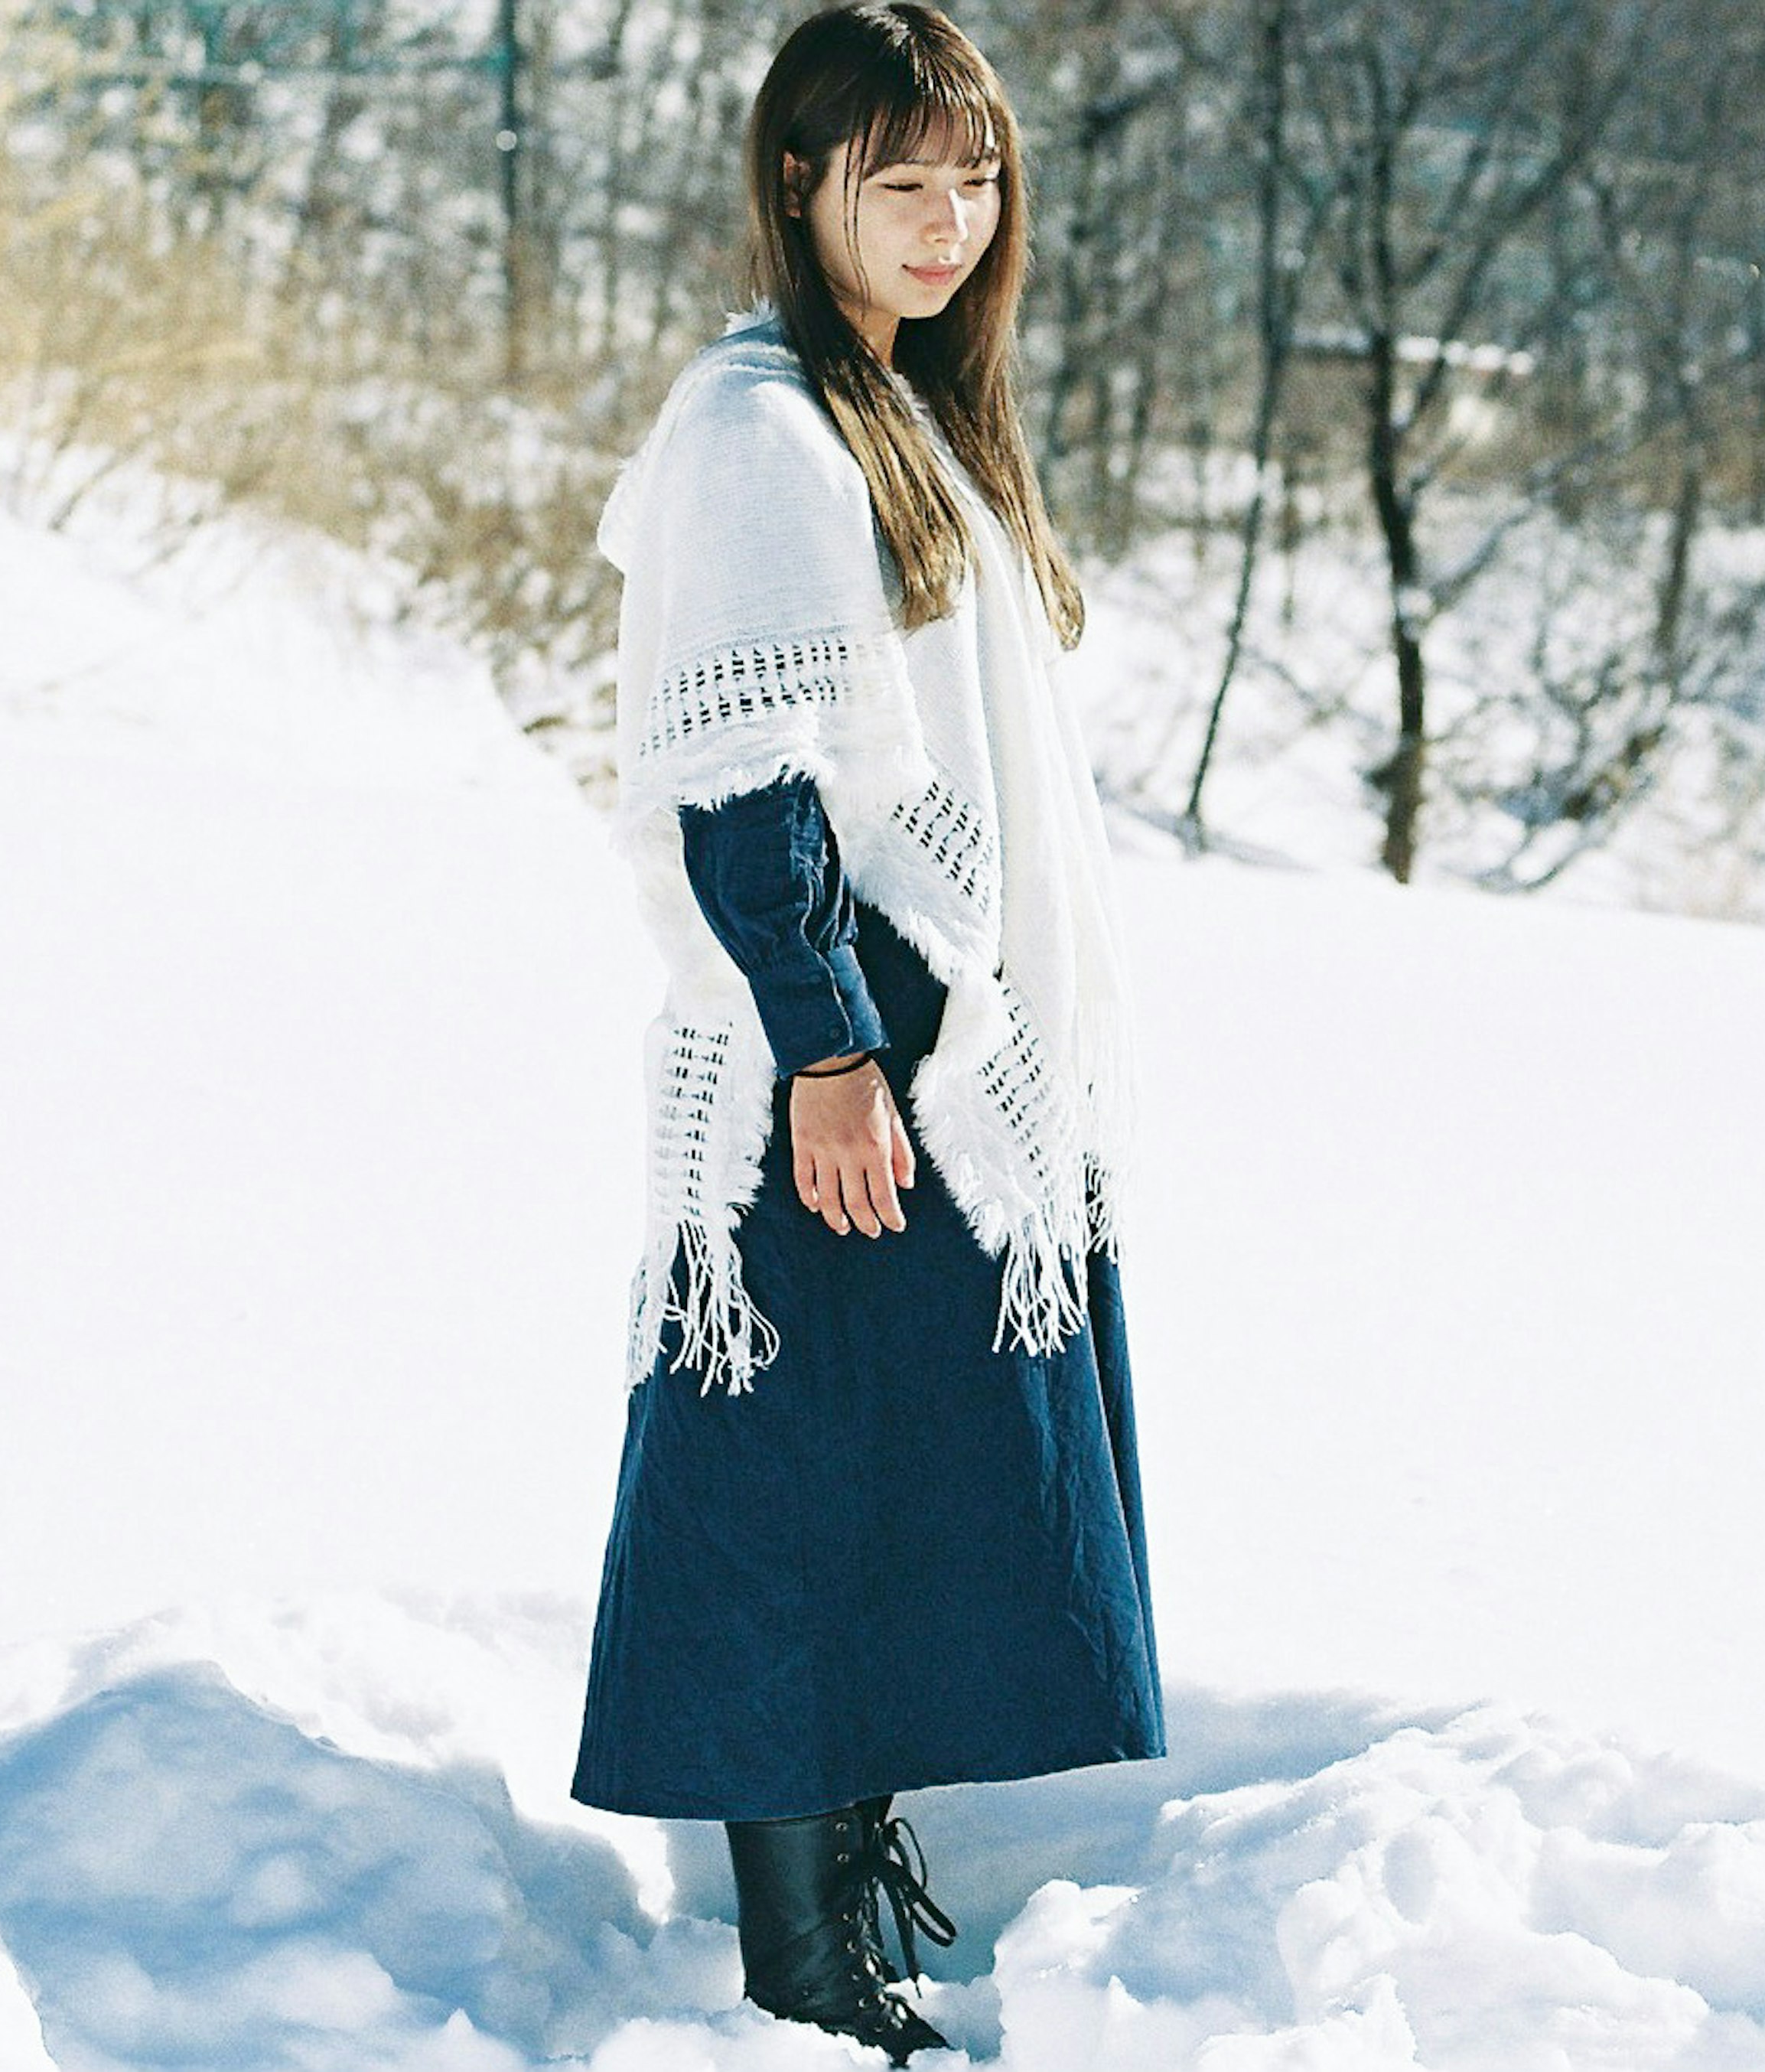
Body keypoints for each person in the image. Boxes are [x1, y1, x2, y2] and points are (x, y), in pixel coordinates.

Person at [570, 5, 1163, 2059]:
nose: (944, 217)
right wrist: (826, 1047)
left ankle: (846, 1910)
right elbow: (750, 779)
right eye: (895, 178)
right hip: (845, 1023)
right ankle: (802, 1978)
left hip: (925, 1021)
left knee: (892, 1475)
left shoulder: (904, 410)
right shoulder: (761, 425)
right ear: (799, 185)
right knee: (791, 1484)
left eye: (972, 173)